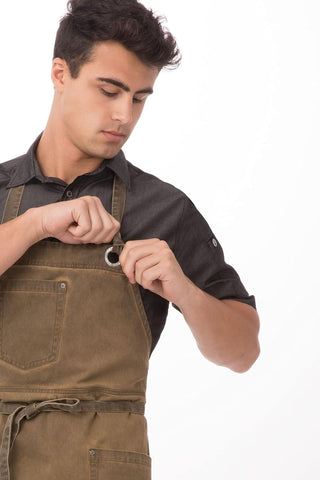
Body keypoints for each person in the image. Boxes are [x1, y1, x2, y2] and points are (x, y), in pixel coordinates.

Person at [0, 0, 260, 478]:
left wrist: (185, 291)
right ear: (60, 74)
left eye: (139, 98)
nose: (124, 115)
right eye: (109, 90)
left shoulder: (162, 208)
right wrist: (35, 223)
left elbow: (243, 352)